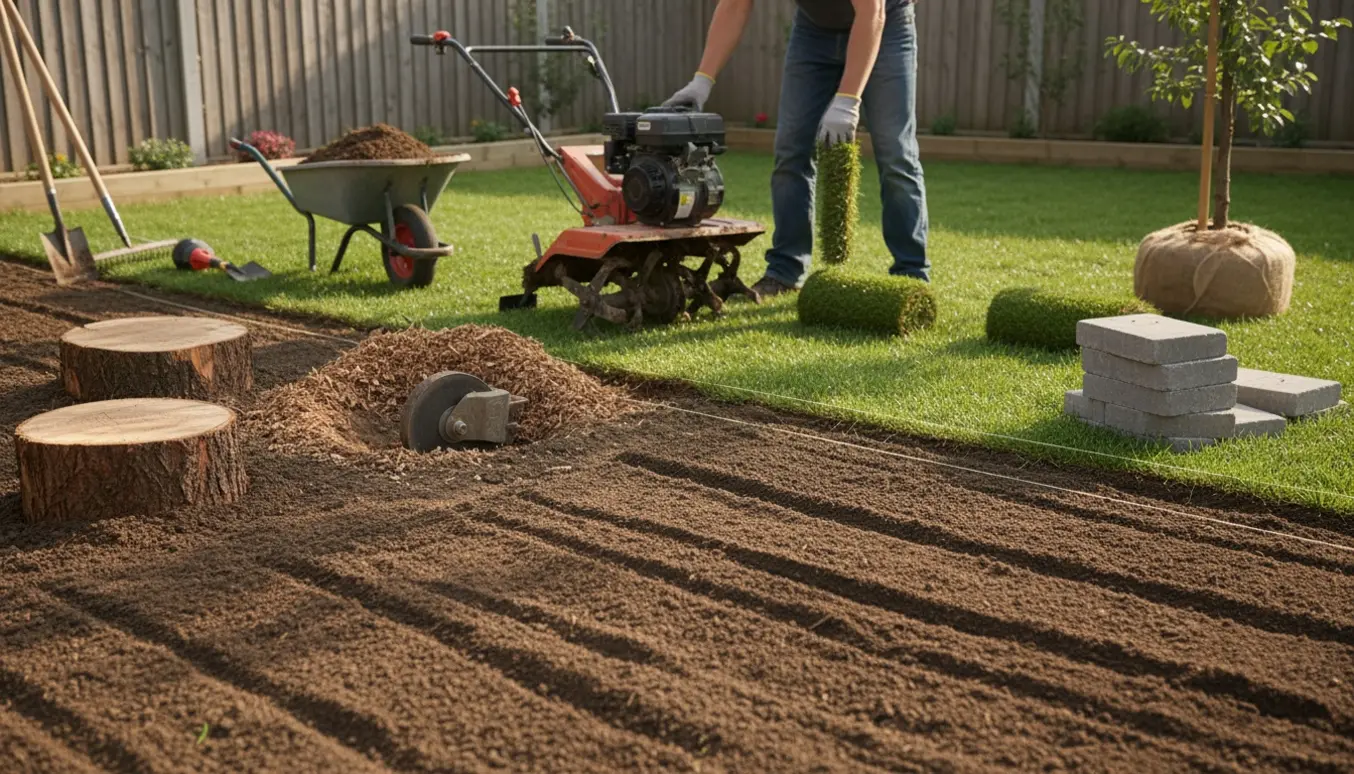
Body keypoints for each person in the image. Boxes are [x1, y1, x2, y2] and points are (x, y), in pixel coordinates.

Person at [663, 0, 930, 298]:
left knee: (895, 153)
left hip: (887, 24)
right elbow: (736, 5)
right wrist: (702, 81)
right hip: (813, 32)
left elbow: (872, 12)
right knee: (791, 150)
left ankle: (911, 272)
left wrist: (847, 100)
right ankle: (786, 271)